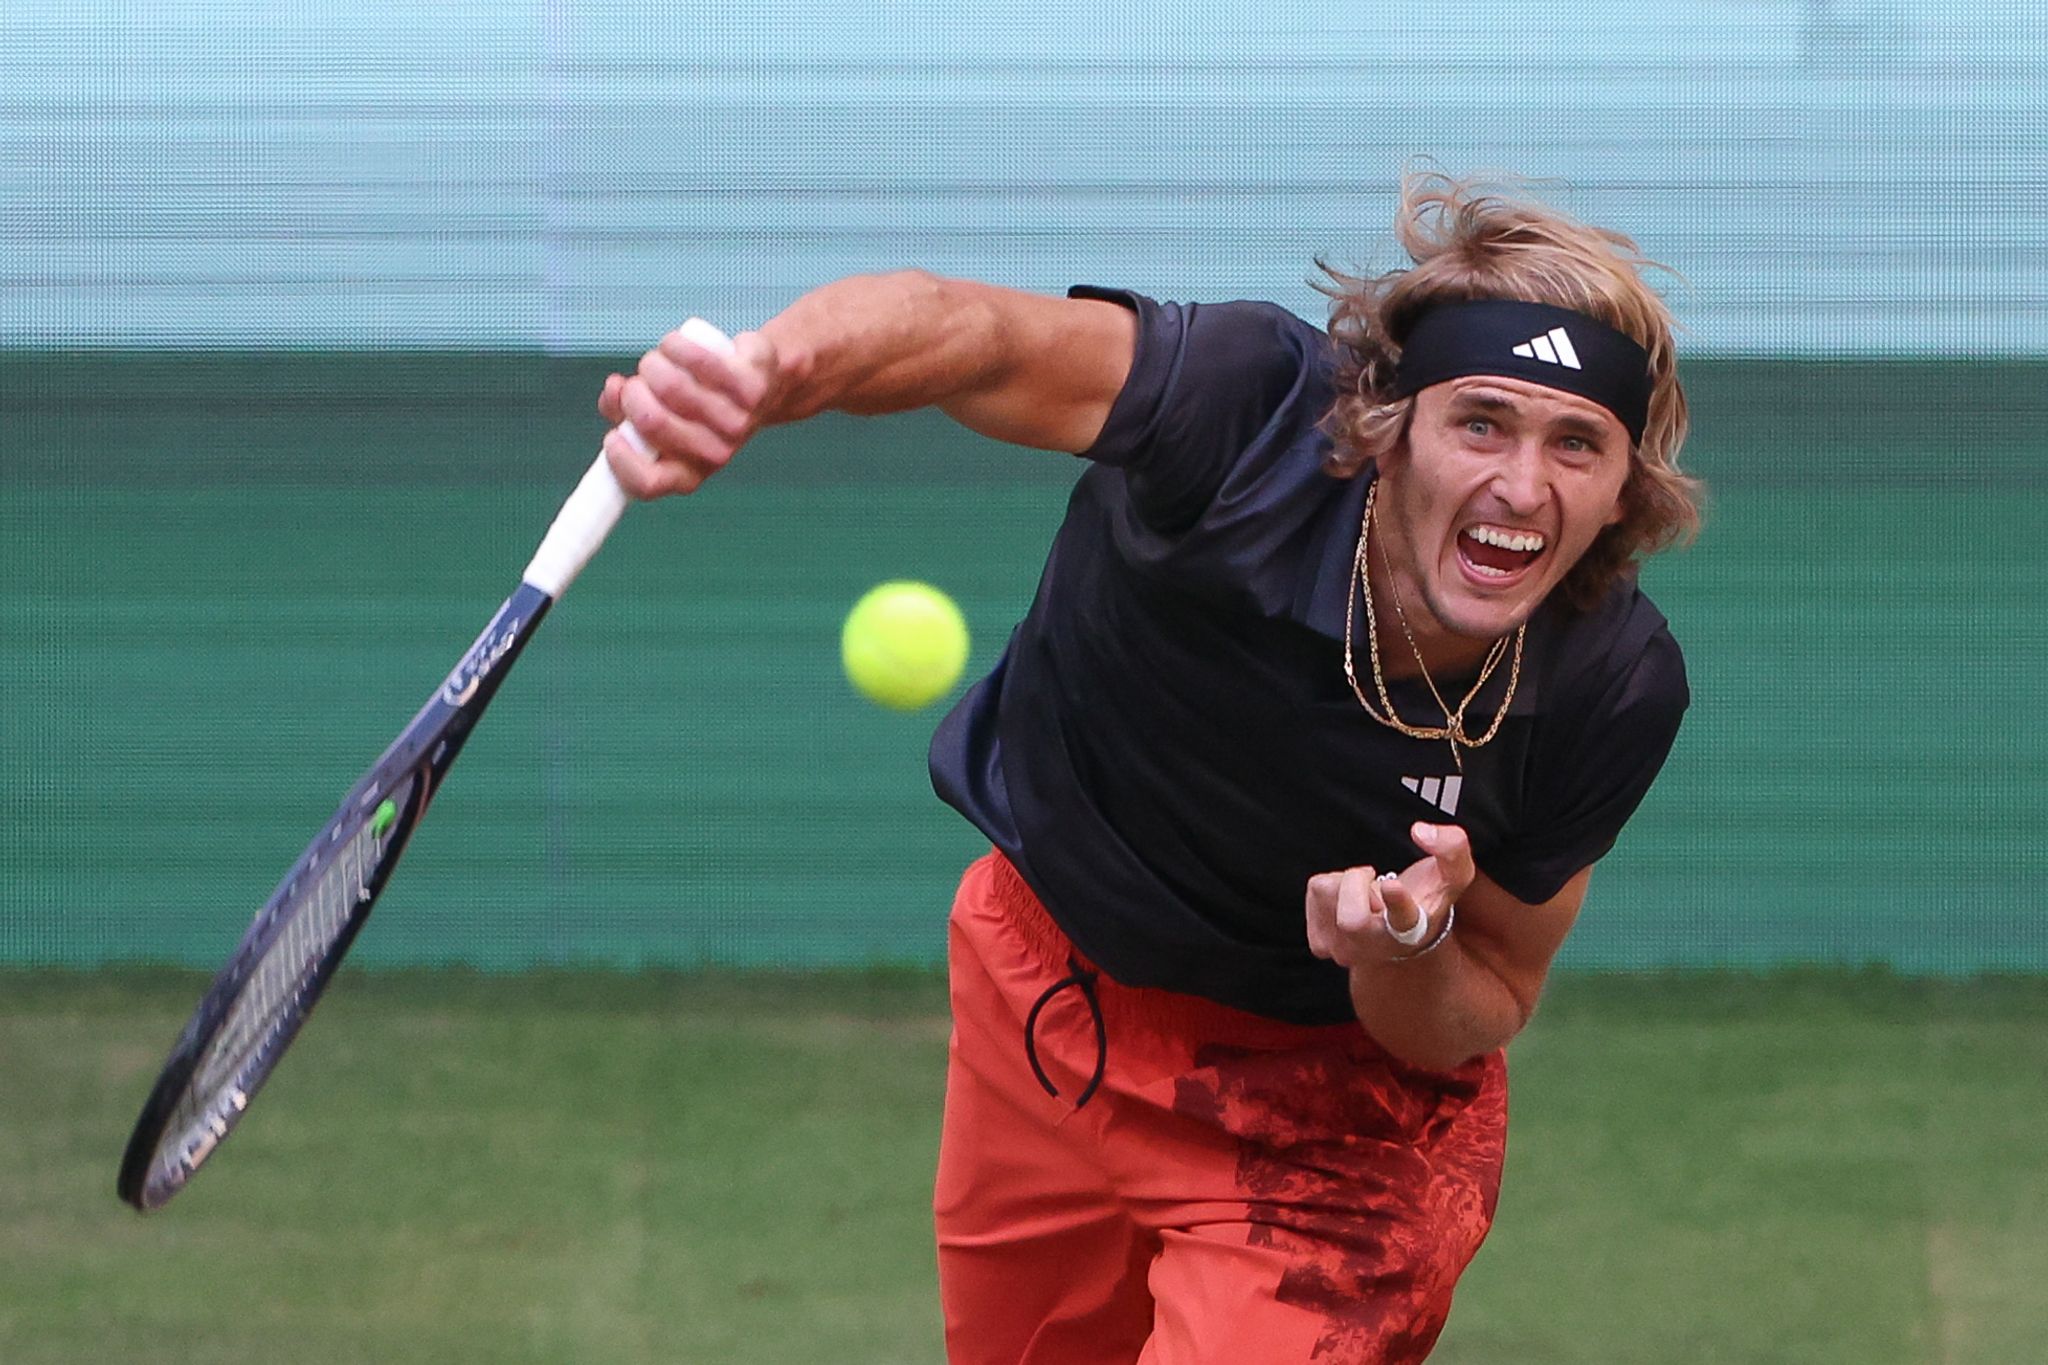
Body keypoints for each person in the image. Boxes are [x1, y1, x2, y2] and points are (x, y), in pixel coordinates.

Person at [596, 172, 1701, 1364]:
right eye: (1479, 422)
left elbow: (1482, 1002)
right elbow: (968, 331)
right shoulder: (1241, 416)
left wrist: (1403, 952)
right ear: (1387, 429)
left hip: (1330, 1122)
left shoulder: (1608, 685)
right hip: (1043, 996)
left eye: (1575, 444)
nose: (1521, 487)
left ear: (1621, 492)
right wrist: (766, 373)